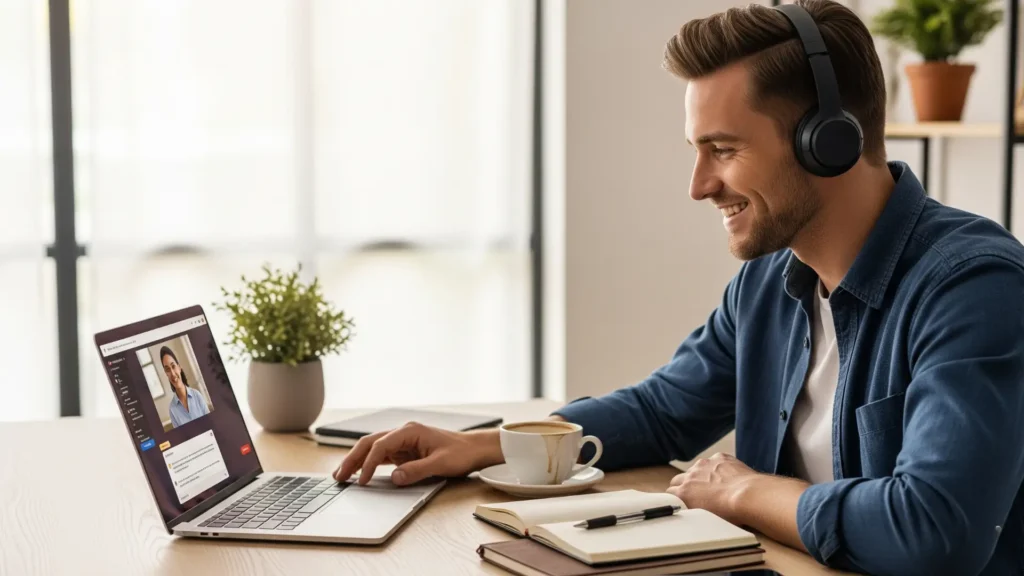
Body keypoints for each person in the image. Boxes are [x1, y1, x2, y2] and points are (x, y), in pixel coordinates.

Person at [332, 1, 1024, 574]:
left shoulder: (973, 287)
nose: (697, 187)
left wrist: (747, 490)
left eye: (722, 150)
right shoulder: (768, 282)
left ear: (828, 142)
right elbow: (664, 411)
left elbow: (938, 530)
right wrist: (487, 445)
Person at [161, 346, 209, 428]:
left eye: (173, 366)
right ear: (166, 374)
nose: (172, 373)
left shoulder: (197, 395)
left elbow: (211, 423)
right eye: (167, 369)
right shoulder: (172, 409)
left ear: (179, 367)